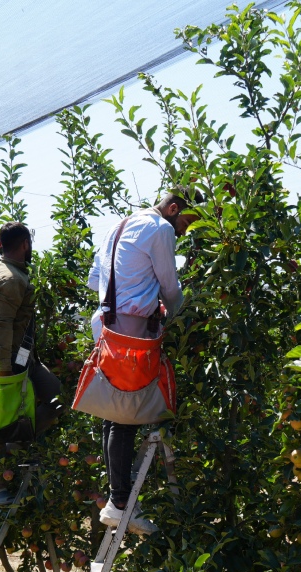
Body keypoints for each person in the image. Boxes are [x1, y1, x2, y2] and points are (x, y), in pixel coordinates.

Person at [87, 192, 198, 535]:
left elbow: (94, 280)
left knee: (113, 414)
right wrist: (182, 316)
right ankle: (121, 504)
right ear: (174, 209)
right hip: (132, 329)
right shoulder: (160, 228)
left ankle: (115, 500)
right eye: (185, 224)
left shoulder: (118, 225)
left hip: (106, 325)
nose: (182, 233)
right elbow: (169, 285)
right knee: (126, 416)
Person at [0, 222, 36, 506]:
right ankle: (4, 485)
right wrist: (4, 367)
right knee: (6, 421)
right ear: (25, 244)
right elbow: (3, 323)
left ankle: (4, 484)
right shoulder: (12, 278)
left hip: (15, 357)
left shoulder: (6, 271)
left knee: (4, 420)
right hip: (10, 361)